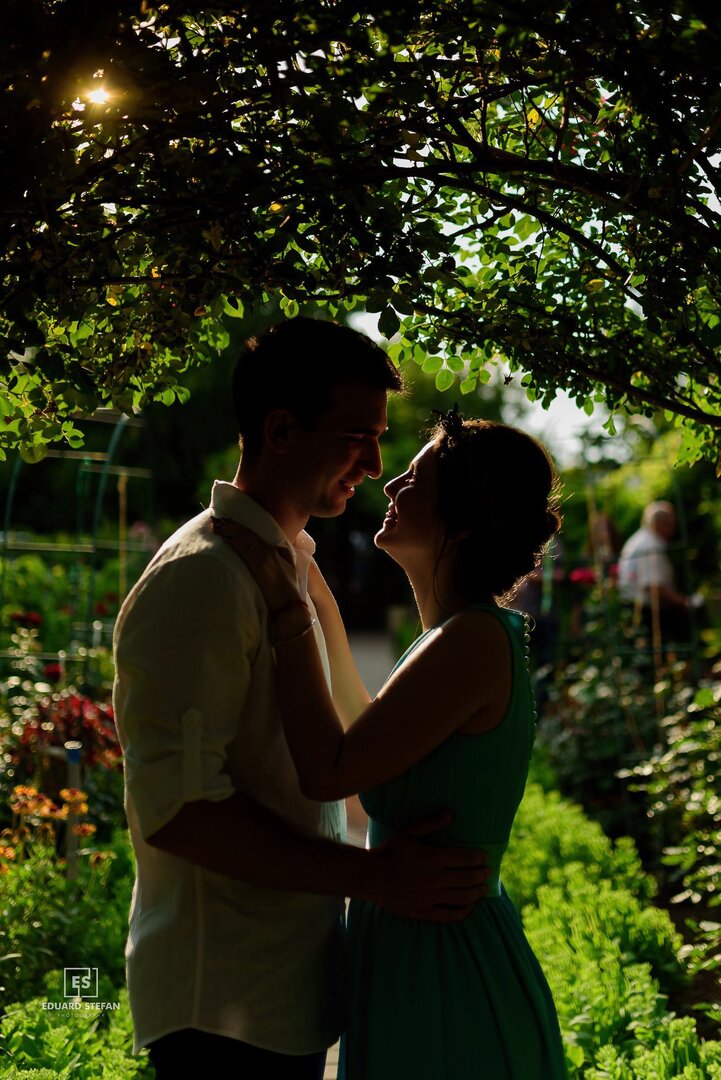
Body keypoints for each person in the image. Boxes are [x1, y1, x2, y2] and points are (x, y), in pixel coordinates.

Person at [113, 318, 490, 1079]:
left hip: (282, 988)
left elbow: (351, 740)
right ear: (281, 429)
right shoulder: (204, 577)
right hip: (219, 1000)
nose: (376, 463)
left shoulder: (290, 566)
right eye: (357, 434)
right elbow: (181, 812)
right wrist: (374, 878)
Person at [215, 408, 569, 1080]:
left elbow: (329, 768)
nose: (390, 486)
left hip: (447, 966)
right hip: (419, 944)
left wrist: (289, 624)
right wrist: (313, 593)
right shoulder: (452, 637)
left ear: (459, 520)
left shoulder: (470, 640)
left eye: (415, 479)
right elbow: (366, 727)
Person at [617, 500, 694, 643]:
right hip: (645, 612)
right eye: (669, 524)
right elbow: (653, 586)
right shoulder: (650, 544)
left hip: (635, 608)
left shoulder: (641, 539)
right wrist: (683, 602)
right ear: (659, 523)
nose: (672, 529)